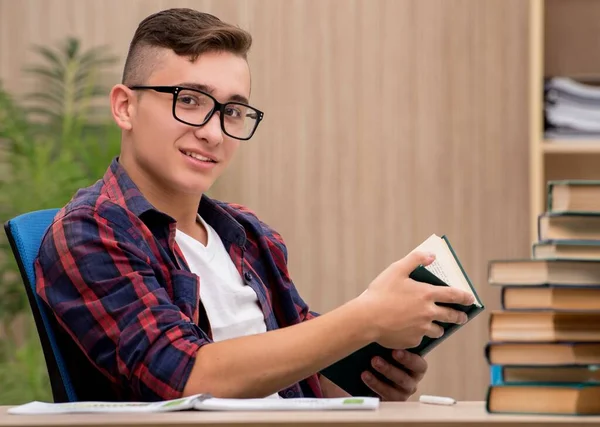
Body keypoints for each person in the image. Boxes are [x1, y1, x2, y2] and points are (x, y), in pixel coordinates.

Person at [34, 8, 475, 402]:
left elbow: (302, 377)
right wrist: (366, 318)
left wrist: (369, 375)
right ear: (125, 106)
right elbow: (187, 377)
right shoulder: (90, 232)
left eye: (232, 112)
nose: (214, 133)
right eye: (189, 101)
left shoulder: (247, 233)